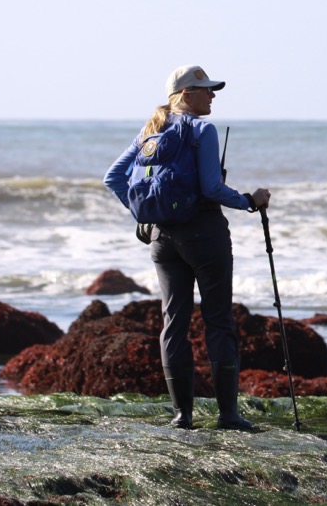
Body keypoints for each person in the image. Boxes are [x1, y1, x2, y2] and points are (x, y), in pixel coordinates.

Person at [104, 65, 270, 430]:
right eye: (205, 89)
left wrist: (142, 214)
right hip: (204, 235)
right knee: (218, 321)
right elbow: (211, 188)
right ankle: (227, 415)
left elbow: (113, 178)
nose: (212, 95)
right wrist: (248, 200)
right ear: (185, 95)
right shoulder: (203, 129)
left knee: (173, 323)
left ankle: (182, 416)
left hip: (162, 238)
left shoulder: (151, 131)